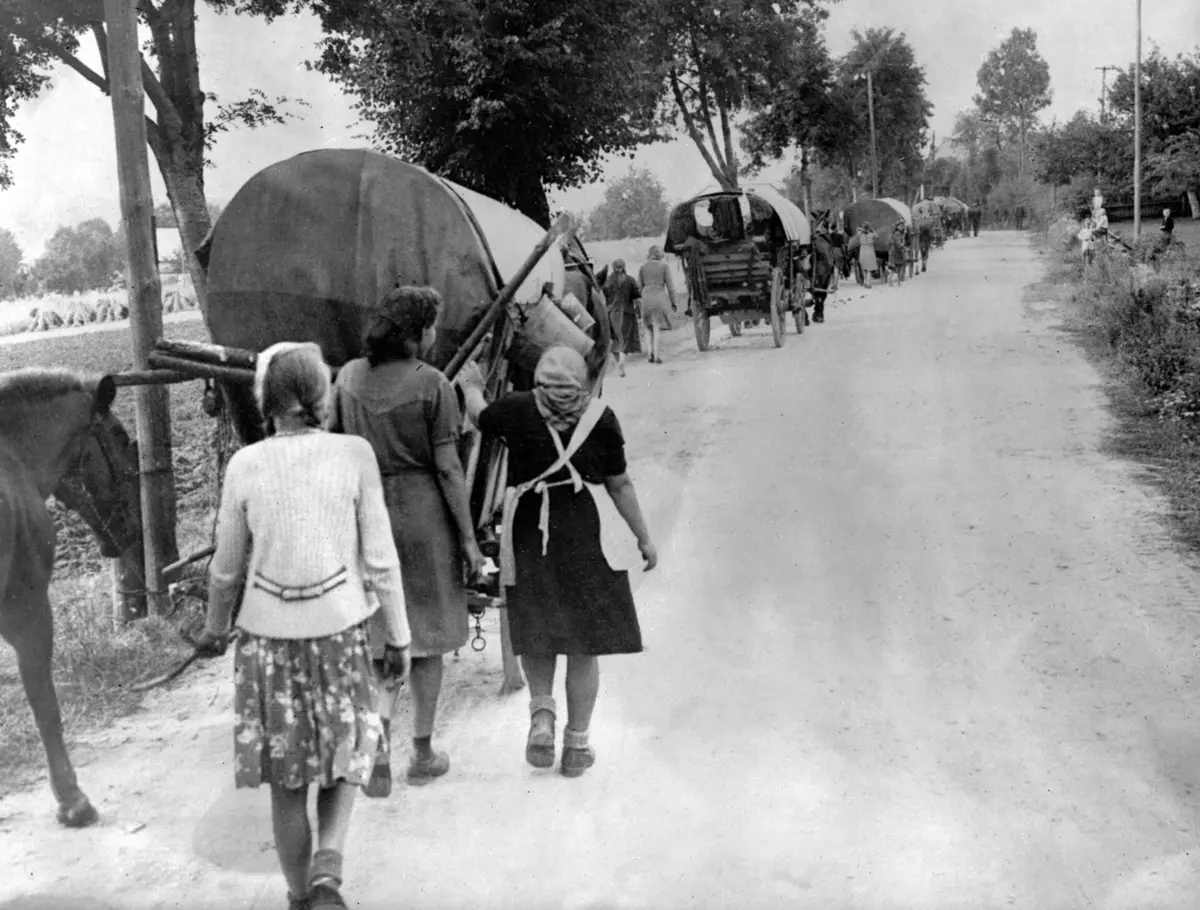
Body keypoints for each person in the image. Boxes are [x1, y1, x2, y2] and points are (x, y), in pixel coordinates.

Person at [194, 342, 412, 910]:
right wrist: (399, 635)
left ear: (264, 399)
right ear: (322, 393)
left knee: (287, 784)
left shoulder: (244, 465)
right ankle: (328, 871)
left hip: (267, 647)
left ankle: (298, 897)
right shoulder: (354, 454)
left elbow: (225, 569)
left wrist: (215, 628)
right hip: (339, 635)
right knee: (346, 758)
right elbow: (381, 560)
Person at [457, 346, 656, 778]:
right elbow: (620, 485)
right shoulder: (601, 417)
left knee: (538, 630)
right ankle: (577, 746)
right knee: (584, 644)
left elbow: (480, 416)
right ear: (582, 380)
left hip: (529, 532)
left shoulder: (518, 408)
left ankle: (542, 717)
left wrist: (472, 386)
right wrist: (643, 537)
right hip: (584, 533)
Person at [330, 287, 486, 788]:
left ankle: (376, 752)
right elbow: (449, 469)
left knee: (384, 640)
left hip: (367, 513)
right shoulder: (432, 383)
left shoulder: (348, 378)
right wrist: (468, 541)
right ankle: (421, 753)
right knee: (428, 637)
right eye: (432, 324)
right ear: (417, 333)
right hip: (423, 518)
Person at [637, 246, 678, 365]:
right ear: (659, 255)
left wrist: (638, 304)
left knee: (647, 328)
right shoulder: (664, 266)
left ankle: (650, 353)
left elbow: (638, 287)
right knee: (656, 327)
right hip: (659, 297)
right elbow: (670, 287)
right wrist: (673, 302)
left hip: (646, 298)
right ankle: (657, 356)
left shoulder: (642, 267)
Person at [603, 259, 641, 377]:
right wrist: (639, 311)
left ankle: (619, 365)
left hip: (611, 313)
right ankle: (621, 362)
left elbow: (603, 299)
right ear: (624, 267)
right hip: (626, 313)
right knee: (625, 339)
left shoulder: (607, 281)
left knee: (615, 339)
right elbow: (637, 299)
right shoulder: (630, 280)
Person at [858, 224, 878, 288]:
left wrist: (862, 230)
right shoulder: (871, 234)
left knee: (863, 268)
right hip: (870, 252)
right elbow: (876, 236)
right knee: (869, 269)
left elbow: (858, 230)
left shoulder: (860, 234)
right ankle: (868, 283)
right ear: (868, 228)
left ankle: (865, 282)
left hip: (862, 252)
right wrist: (872, 230)